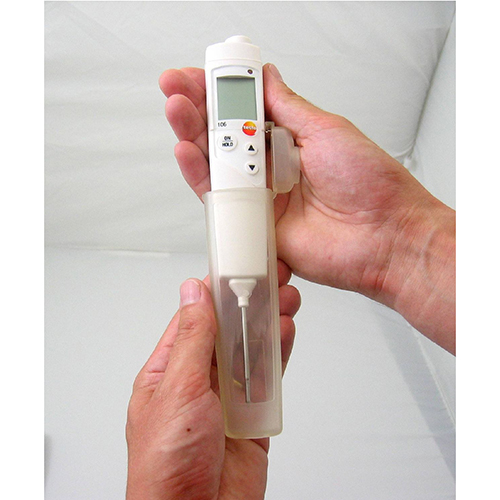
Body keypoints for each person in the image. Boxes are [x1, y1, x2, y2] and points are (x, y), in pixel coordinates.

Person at [126, 63, 456, 499]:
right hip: (237, 205)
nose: (239, 129)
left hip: (254, 203)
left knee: (254, 311)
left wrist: (398, 233)